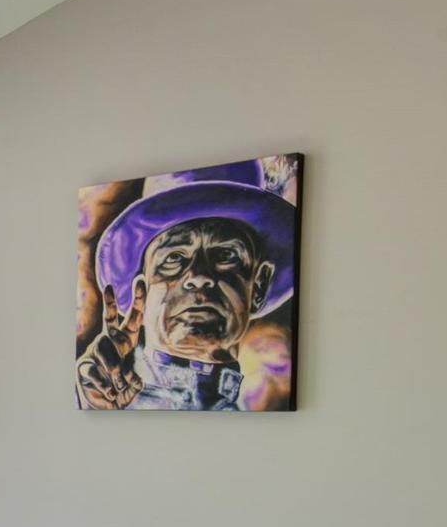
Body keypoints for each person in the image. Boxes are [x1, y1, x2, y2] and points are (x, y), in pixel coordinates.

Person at [76, 159, 297, 411]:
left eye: (225, 256)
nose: (199, 276)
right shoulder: (101, 398)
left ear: (258, 286)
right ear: (142, 293)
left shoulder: (257, 404)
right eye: (174, 258)